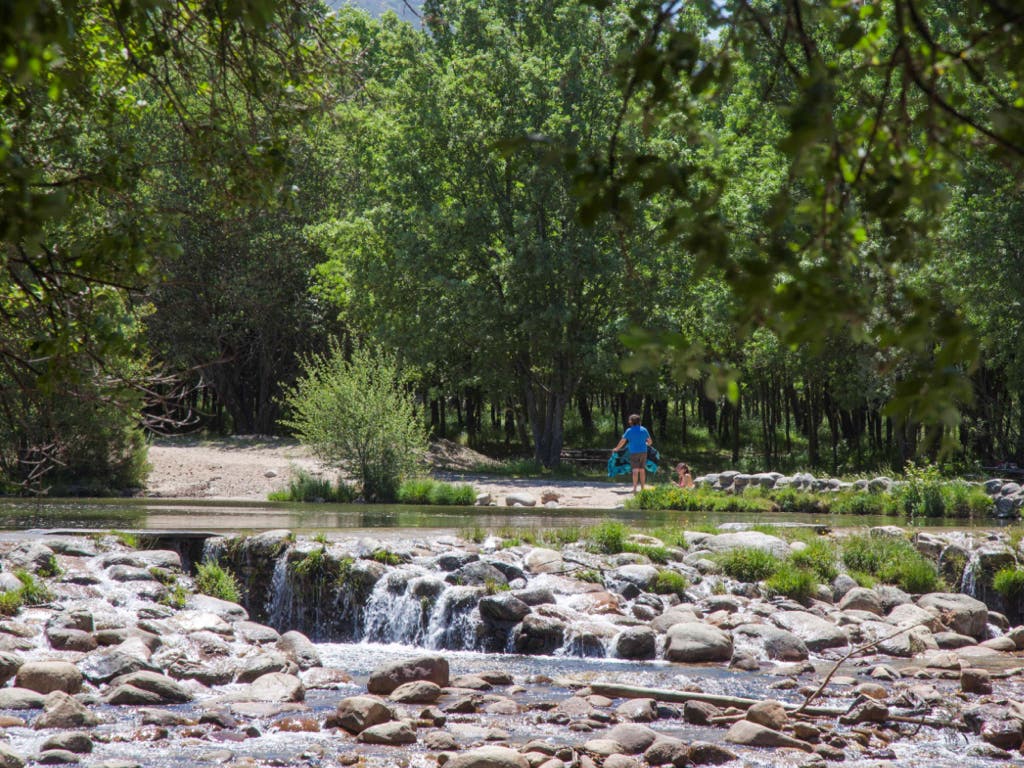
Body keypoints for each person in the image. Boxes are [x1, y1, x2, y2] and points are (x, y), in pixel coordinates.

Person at [613, 414, 652, 492]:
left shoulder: (629, 430)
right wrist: (646, 445)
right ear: (639, 421)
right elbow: (650, 441)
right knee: (642, 470)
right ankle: (643, 488)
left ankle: (634, 488)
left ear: (631, 421)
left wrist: (617, 448)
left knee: (635, 470)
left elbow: (623, 441)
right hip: (643, 452)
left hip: (634, 452)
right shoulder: (644, 429)